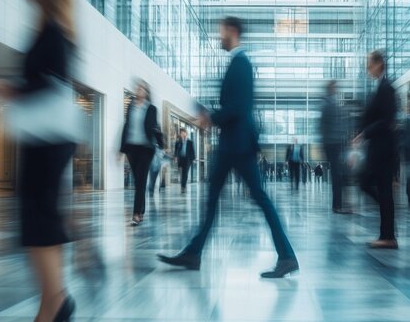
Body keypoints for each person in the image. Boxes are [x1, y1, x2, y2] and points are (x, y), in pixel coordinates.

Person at [157, 16, 298, 278]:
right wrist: (212, 117)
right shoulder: (238, 63)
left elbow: (239, 108)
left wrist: (211, 117)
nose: (218, 35)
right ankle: (193, 253)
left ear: (232, 31)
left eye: (221, 30)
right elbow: (236, 106)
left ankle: (287, 256)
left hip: (238, 144)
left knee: (259, 199)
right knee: (214, 201)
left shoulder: (241, 63)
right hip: (233, 143)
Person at [15, 0, 78, 320]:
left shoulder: (52, 31)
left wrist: (16, 89)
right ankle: (52, 301)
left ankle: (55, 302)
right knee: (41, 217)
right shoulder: (52, 27)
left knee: (37, 219)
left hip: (46, 141)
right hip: (46, 140)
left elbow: (51, 79)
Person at [353, 50, 398, 249]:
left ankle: (388, 235)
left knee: (380, 189)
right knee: (371, 186)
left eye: (369, 65)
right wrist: (361, 132)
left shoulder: (387, 89)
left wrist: (365, 133)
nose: (367, 69)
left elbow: (386, 120)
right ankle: (387, 231)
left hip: (383, 149)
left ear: (379, 64)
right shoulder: (379, 88)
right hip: (377, 148)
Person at [119, 80, 164, 226]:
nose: (138, 91)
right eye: (137, 88)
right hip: (132, 148)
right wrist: (121, 149)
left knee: (141, 180)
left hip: (145, 148)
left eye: (142, 89)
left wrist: (162, 145)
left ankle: (136, 213)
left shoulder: (151, 108)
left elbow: (155, 127)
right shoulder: (131, 106)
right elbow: (126, 126)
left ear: (146, 92)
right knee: (138, 181)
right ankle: (141, 211)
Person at [321, 80, 351, 213]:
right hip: (333, 144)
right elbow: (326, 126)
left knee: (338, 173)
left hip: (333, 143)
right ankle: (338, 205)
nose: (337, 89)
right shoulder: (329, 104)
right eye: (335, 87)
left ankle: (339, 204)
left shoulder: (330, 103)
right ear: (331, 89)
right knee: (337, 174)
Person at [174, 128, 195, 194]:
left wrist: (192, 159)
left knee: (185, 173)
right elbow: (176, 151)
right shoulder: (178, 142)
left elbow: (192, 152)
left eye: (183, 132)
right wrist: (175, 157)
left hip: (187, 160)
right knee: (181, 173)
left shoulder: (190, 142)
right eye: (181, 133)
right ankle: (183, 185)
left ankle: (183, 186)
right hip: (181, 159)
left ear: (186, 133)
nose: (182, 134)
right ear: (180, 134)